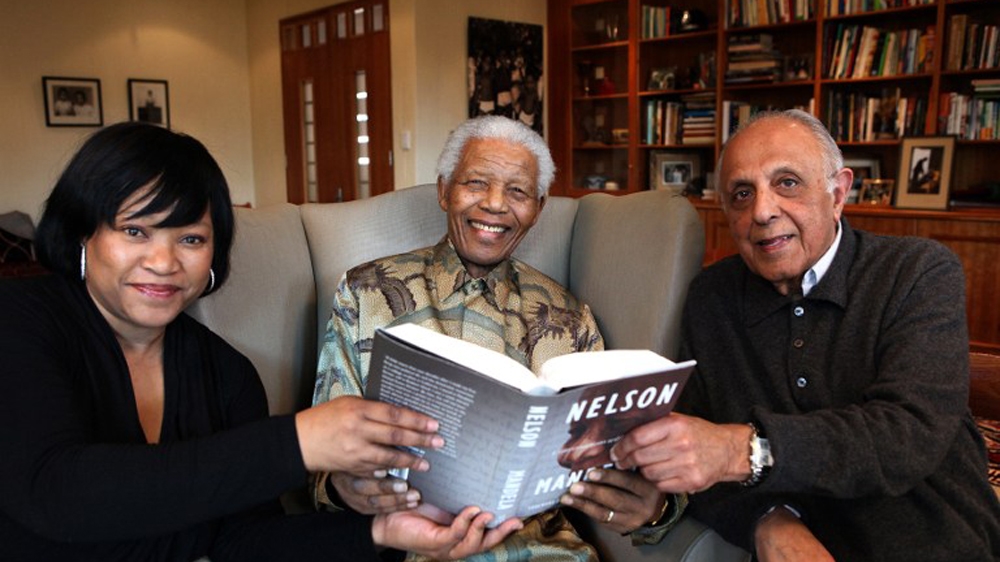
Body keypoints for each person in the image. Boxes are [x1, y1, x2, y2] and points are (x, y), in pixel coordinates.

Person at [0, 121, 519, 561]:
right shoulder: (21, 322)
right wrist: (297, 442)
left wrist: (381, 533)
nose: (164, 262)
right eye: (135, 231)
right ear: (82, 234)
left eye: (190, 238)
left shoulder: (224, 372)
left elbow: (243, 541)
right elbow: (54, 492)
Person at [611, 109, 1000, 561]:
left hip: (936, 537)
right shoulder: (711, 298)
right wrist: (766, 519)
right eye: (741, 193)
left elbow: (908, 434)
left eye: (787, 183)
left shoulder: (917, 271)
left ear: (838, 193)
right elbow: (697, 453)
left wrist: (744, 449)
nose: (762, 210)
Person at [312, 115, 675, 560]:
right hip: (415, 547)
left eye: (518, 191)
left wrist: (648, 502)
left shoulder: (569, 317)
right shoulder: (367, 292)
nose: (496, 205)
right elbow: (322, 459)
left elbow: (601, 462)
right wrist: (343, 487)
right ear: (445, 190)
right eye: (477, 183)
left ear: (539, 208)